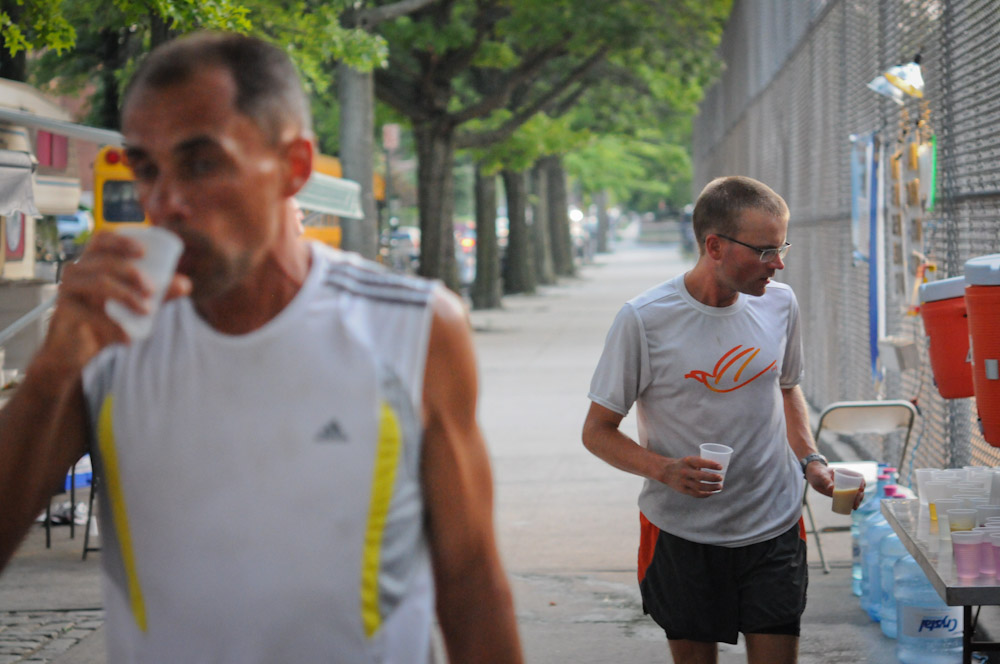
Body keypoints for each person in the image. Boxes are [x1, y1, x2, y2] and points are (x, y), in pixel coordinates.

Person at [0, 32, 522, 664]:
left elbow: (470, 582)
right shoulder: (108, 337)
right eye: (146, 168)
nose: (165, 202)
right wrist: (51, 371)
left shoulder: (413, 326)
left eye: (201, 164)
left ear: (294, 166)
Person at [581, 176, 863, 664]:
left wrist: (812, 461)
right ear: (714, 246)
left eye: (782, 247)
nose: (778, 263)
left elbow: (786, 387)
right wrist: (665, 470)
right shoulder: (644, 319)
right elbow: (597, 431)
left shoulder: (780, 303)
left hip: (774, 523)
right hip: (682, 533)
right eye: (765, 250)